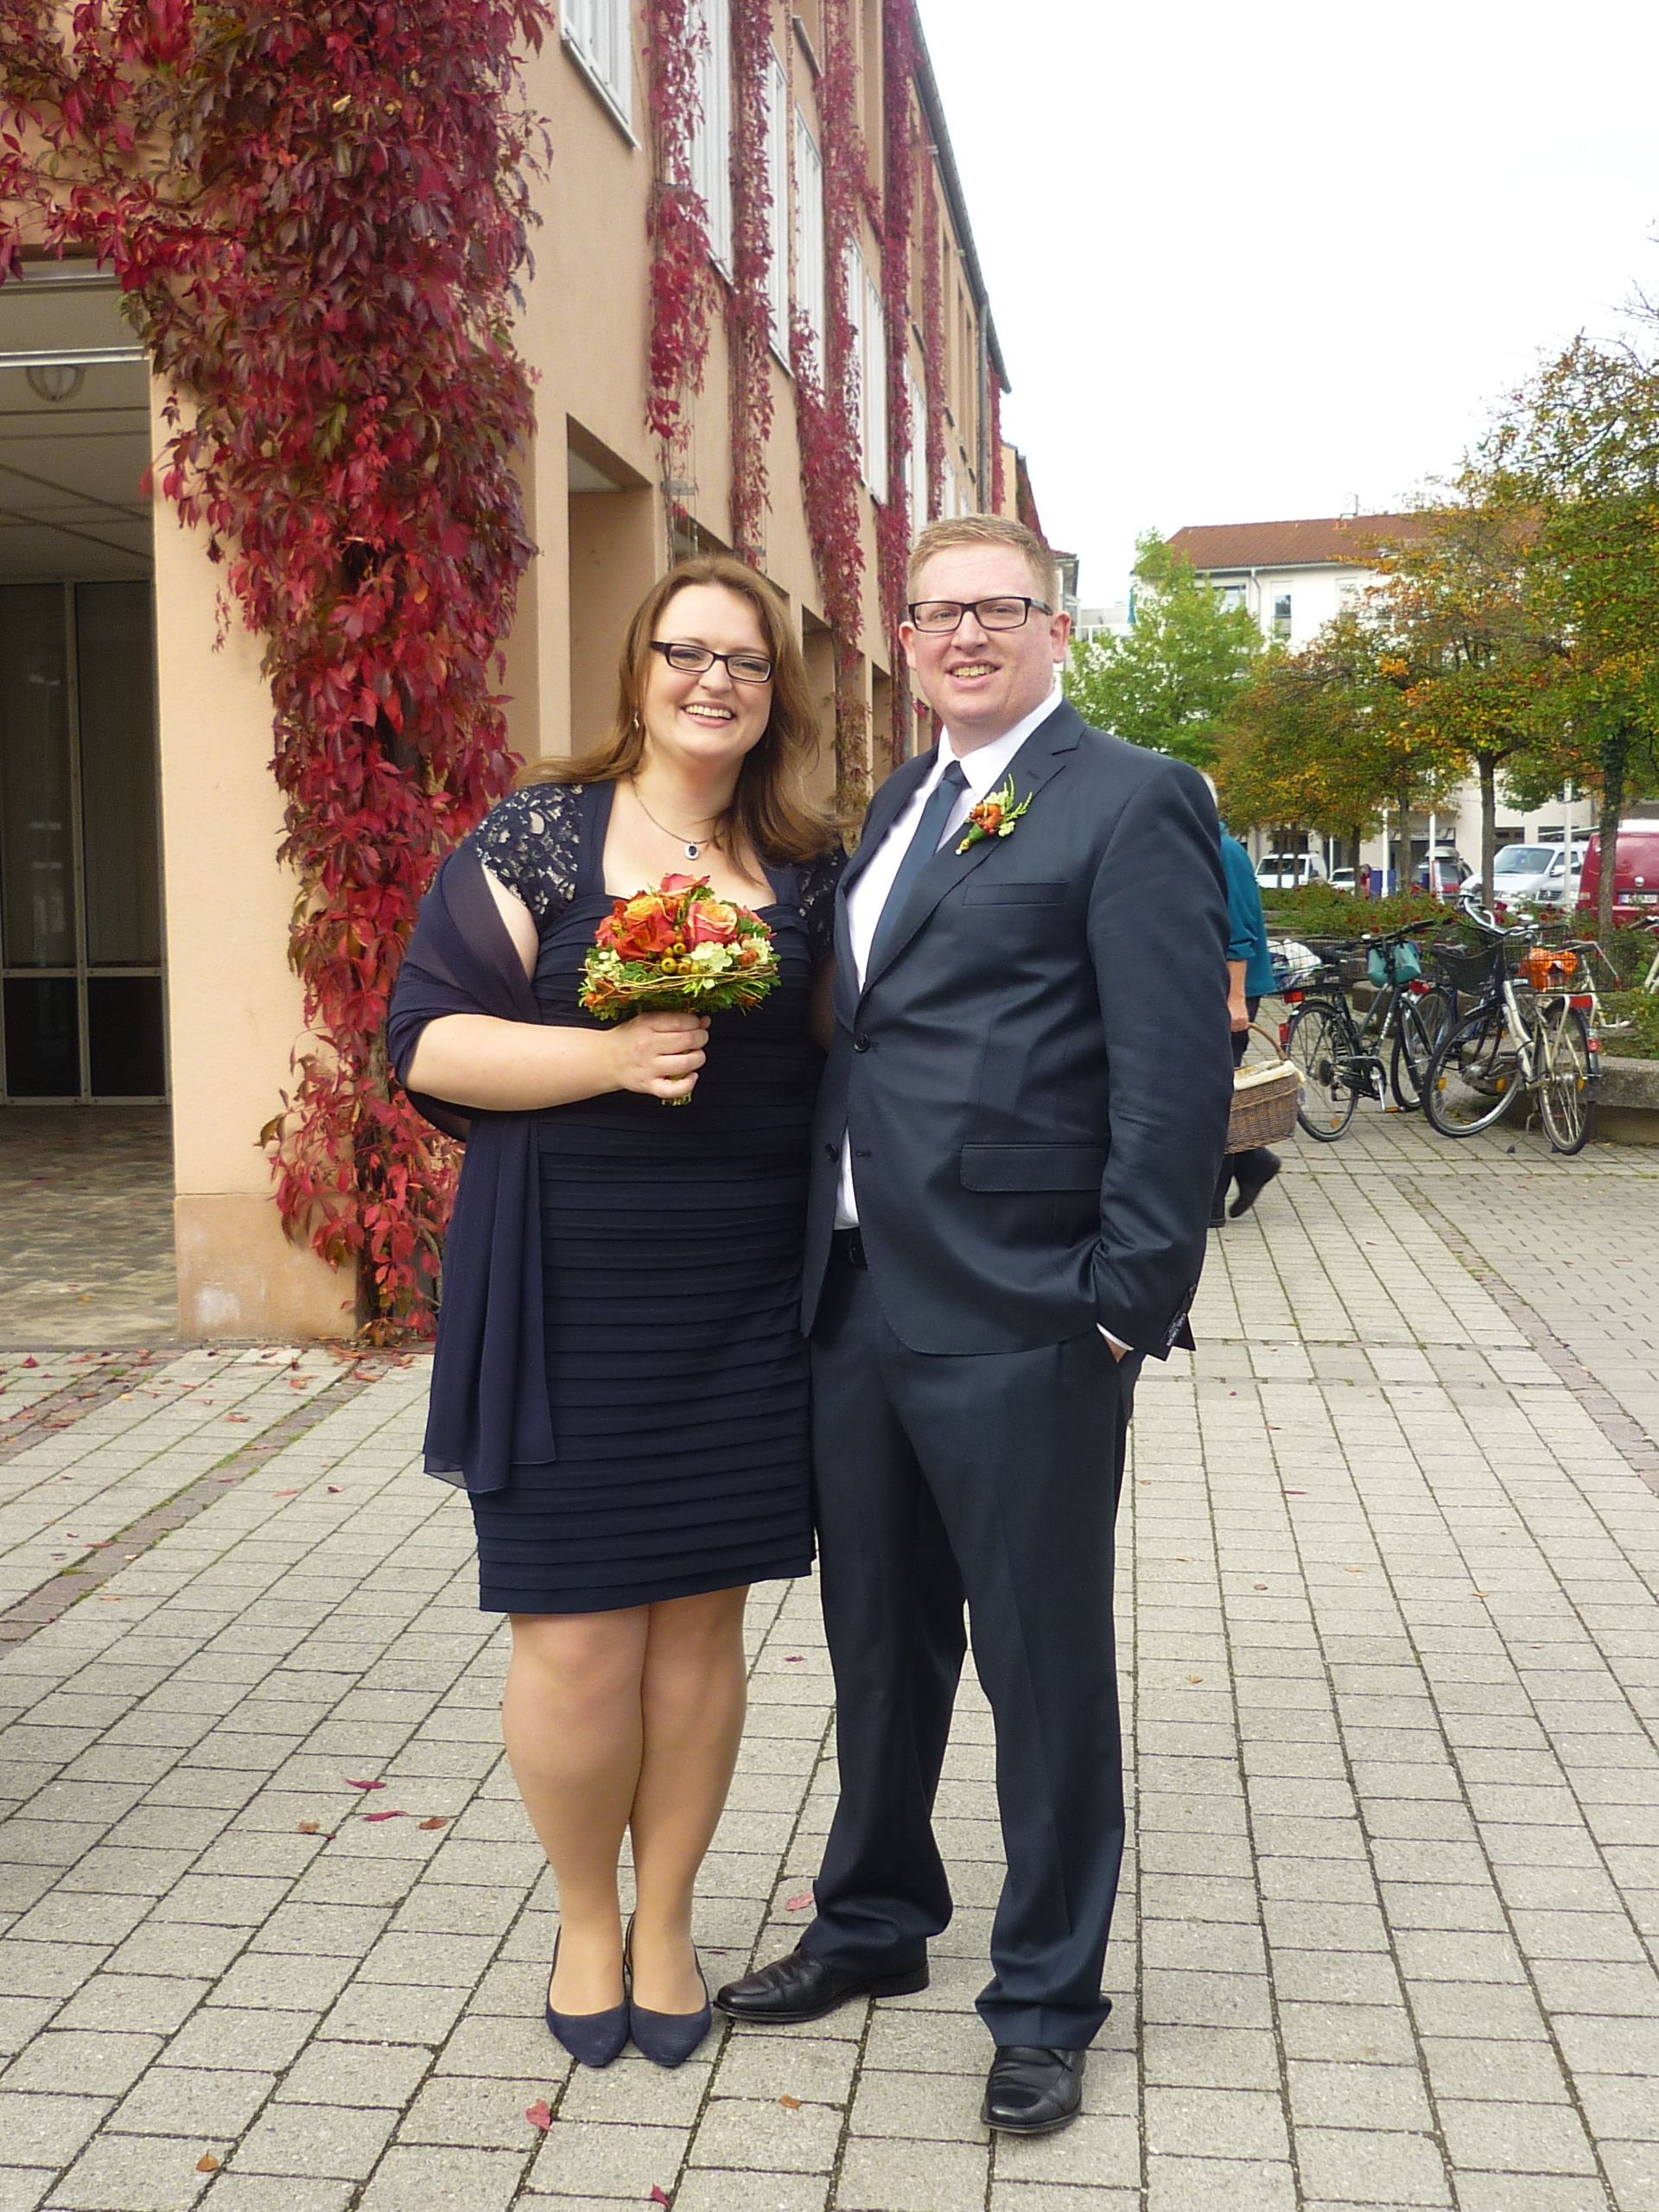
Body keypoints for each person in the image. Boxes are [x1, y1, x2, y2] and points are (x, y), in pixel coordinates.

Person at [714, 515, 1232, 2135]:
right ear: (906, 634)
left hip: (1028, 1312)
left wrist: (1126, 1299)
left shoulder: (1130, 796)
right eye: (935, 614)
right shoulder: (896, 803)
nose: (962, 637)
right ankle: (874, 1922)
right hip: (860, 1301)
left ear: (1056, 627)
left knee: (1038, 1660)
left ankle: (1048, 1993)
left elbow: (1173, 1067)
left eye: (996, 609)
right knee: (879, 1644)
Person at [386, 555, 844, 2071]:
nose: (715, 681)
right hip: (569, 1288)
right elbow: (431, 1042)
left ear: (778, 695)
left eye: (748, 663)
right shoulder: (544, 835)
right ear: (639, 667)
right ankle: (592, 1916)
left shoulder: (806, 862)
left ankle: (671, 1923)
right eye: (687, 652)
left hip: (739, 1299)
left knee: (700, 1638)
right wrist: (603, 1058)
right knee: (579, 1643)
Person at [1213, 817, 1281, 1224]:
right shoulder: (1203, 846)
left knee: (1217, 1091)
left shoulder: (1224, 852)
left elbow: (1238, 932)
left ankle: (1213, 1202)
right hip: (1213, 990)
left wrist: (1235, 1000)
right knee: (1212, 1090)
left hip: (1231, 992)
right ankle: (1253, 1160)